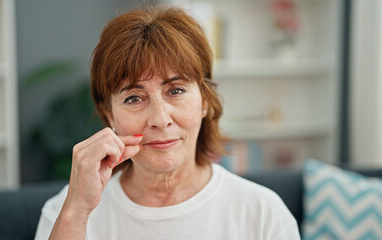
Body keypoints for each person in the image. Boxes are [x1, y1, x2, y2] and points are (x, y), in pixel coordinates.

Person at [35, 6, 300, 240]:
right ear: (109, 115)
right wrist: (77, 211)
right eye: (134, 98)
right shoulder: (66, 212)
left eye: (175, 90)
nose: (160, 120)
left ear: (205, 101)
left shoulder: (264, 213)